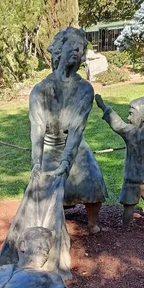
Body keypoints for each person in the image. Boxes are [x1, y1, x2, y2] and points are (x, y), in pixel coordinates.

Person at [29, 27, 107, 234]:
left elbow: (76, 129)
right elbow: (37, 129)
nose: (76, 50)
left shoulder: (85, 90)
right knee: (44, 185)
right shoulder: (40, 90)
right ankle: (52, 219)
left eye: (80, 48)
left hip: (75, 145)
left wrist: (66, 161)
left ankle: (92, 223)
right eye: (71, 45)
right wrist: (36, 162)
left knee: (92, 179)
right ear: (59, 49)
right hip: (49, 145)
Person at [95, 95, 144, 227]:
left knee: (129, 205)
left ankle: (126, 225)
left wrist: (104, 107)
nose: (128, 118)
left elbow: (117, 124)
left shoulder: (132, 133)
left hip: (132, 180)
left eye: (131, 114)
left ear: (143, 117)